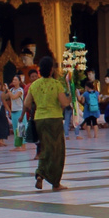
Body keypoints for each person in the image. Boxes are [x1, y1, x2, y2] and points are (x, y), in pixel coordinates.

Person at [27, 54, 70, 190]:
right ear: (51, 69)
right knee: (57, 151)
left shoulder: (34, 85)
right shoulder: (56, 84)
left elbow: (27, 103)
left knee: (45, 148)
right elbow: (64, 103)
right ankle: (55, 183)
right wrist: (70, 99)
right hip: (54, 119)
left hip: (39, 118)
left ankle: (40, 174)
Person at [8, 77, 27, 150]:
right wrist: (6, 90)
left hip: (20, 111)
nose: (14, 81)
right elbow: (5, 97)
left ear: (19, 81)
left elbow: (13, 97)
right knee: (15, 128)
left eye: (16, 80)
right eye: (13, 80)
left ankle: (23, 145)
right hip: (14, 111)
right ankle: (17, 146)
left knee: (21, 128)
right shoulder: (12, 90)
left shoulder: (20, 90)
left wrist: (8, 91)